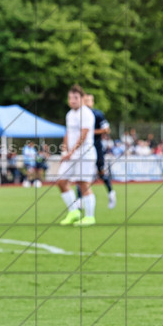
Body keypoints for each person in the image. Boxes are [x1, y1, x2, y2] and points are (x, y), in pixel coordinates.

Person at [57, 85, 97, 227]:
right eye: (70, 98)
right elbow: (68, 134)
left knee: (83, 184)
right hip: (71, 154)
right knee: (61, 181)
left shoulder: (86, 114)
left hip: (85, 153)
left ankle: (90, 217)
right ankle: (74, 212)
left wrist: (71, 152)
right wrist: (64, 150)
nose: (72, 100)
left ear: (82, 98)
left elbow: (83, 135)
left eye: (75, 98)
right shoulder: (69, 114)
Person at [82, 93, 116, 209]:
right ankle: (79, 202)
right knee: (81, 175)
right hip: (83, 147)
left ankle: (111, 192)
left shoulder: (98, 114)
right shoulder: (79, 115)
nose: (87, 103)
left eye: (89, 100)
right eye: (85, 100)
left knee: (101, 172)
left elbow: (107, 129)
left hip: (96, 146)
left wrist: (90, 132)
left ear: (92, 102)